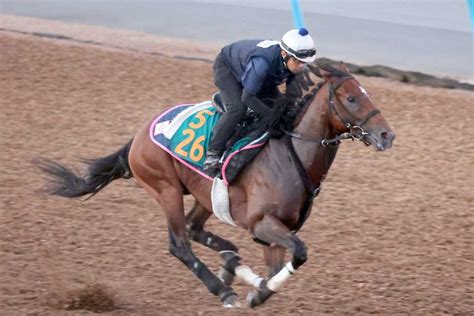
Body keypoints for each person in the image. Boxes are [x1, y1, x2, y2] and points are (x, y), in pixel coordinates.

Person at [203, 28, 317, 174]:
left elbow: (291, 96)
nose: (301, 66)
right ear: (284, 54)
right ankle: (212, 154)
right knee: (238, 109)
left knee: (281, 109)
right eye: (298, 61)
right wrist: (272, 116)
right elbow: (247, 98)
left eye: (304, 62)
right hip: (228, 68)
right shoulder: (261, 63)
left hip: (261, 77)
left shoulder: (292, 62)